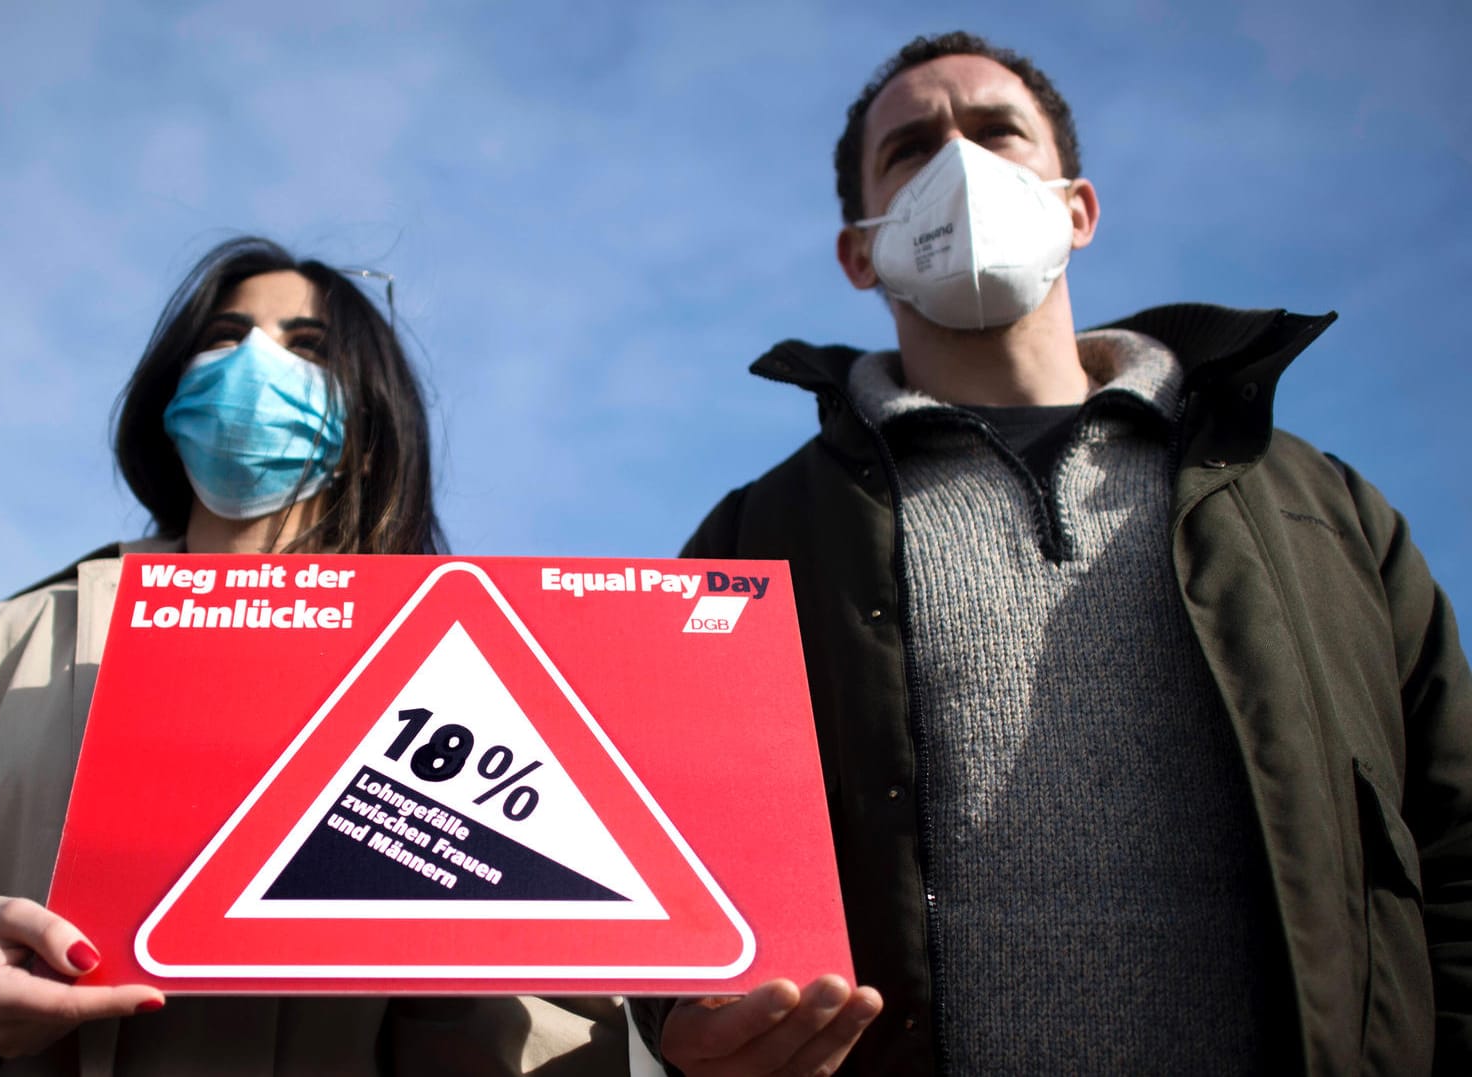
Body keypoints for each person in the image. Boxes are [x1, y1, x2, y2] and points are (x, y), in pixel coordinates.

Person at [631, 31, 1472, 1076]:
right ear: (860, 248)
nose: (962, 170)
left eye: (995, 133)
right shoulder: (755, 543)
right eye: (912, 151)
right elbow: (669, 852)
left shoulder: (1316, 508)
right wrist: (679, 1025)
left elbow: (1455, 842)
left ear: (1077, 208)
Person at [0, 237, 624, 1075]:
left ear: (368, 416)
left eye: (306, 345)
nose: (255, 363)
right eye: (224, 335)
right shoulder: (8, 648)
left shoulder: (453, 677)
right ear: (171, 396)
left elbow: (550, 1022)